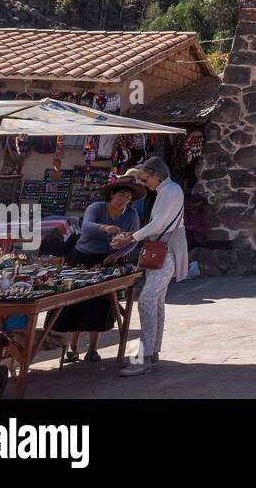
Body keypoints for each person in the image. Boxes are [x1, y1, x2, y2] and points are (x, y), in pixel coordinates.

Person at [109, 157, 187, 376]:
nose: (145, 183)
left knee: (147, 301)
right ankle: (151, 353)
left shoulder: (169, 190)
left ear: (156, 174)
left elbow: (158, 224)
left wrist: (130, 237)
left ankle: (143, 358)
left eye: (145, 178)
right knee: (156, 302)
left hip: (166, 251)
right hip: (164, 249)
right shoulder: (168, 191)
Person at [54, 176, 145, 363]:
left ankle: (93, 349)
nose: (124, 200)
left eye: (128, 197)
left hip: (109, 261)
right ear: (112, 194)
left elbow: (134, 239)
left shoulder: (132, 215)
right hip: (83, 258)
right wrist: (104, 228)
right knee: (75, 304)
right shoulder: (96, 208)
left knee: (100, 305)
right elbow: (86, 228)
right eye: (121, 195)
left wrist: (119, 254)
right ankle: (73, 348)